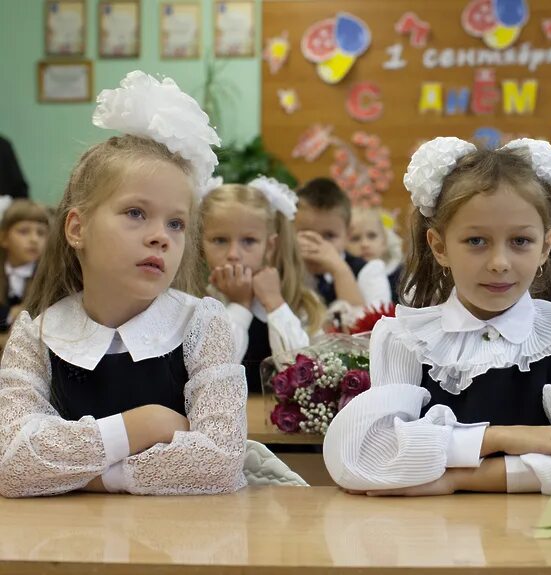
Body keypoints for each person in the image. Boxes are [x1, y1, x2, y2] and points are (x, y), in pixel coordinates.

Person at [0, 71, 247, 497]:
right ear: (77, 228)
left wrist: (95, 477)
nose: (160, 236)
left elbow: (219, 462)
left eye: (176, 223)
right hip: (70, 549)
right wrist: (143, 424)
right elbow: (14, 464)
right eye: (136, 212)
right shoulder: (35, 335)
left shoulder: (202, 324)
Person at [323, 137, 551, 496]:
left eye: (520, 241)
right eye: (476, 241)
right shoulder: (404, 338)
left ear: (546, 246)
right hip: (430, 539)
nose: (499, 263)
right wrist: (502, 438)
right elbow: (363, 457)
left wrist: (455, 477)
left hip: (536, 543)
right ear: (440, 247)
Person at [200, 176, 325, 392]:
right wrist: (240, 306)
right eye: (220, 240)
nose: (233, 255)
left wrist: (275, 304)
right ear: (200, 244)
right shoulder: (195, 303)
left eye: (248, 241)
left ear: (269, 246)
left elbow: (306, 379)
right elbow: (210, 378)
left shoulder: (300, 302)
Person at [295, 178, 391, 322]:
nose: (318, 244)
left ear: (347, 235)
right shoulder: (285, 270)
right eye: (307, 234)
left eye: (329, 236)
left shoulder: (370, 271)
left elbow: (370, 328)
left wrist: (340, 270)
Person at [0, 200, 50, 344]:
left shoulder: (47, 277)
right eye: (24, 231)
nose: (34, 239)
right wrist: (9, 314)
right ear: (4, 238)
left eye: (41, 233)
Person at [348, 207, 403, 303]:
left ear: (384, 241)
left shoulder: (400, 275)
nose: (365, 244)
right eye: (355, 238)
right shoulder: (345, 275)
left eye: (372, 236)